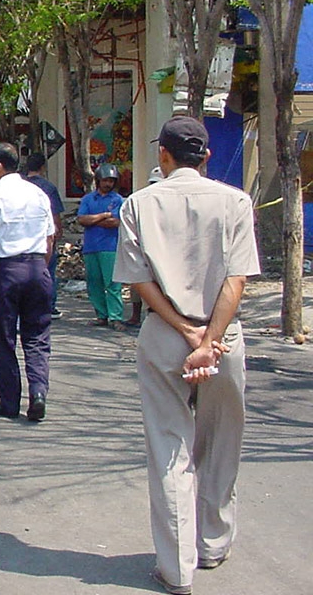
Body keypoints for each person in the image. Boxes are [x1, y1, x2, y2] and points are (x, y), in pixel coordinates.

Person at [113, 116, 259, 595]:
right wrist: (211, 338)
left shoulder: (139, 204)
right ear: (208, 157)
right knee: (221, 443)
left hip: (166, 336)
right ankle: (214, 542)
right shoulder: (236, 202)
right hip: (224, 339)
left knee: (169, 446)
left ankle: (176, 566)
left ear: (164, 156)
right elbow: (237, 279)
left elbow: (138, 281)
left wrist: (184, 331)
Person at [0, 143, 55, 421]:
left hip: (4, 270)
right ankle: (39, 392)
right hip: (36, 267)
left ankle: (10, 402)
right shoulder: (39, 193)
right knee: (37, 336)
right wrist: (40, 268)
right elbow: (50, 238)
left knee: (3, 338)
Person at [77, 163, 126, 331]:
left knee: (112, 284)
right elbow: (82, 219)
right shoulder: (88, 199)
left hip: (110, 247)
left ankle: (116, 316)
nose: (108, 184)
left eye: (111, 181)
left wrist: (94, 220)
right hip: (91, 247)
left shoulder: (118, 200)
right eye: (105, 180)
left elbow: (116, 222)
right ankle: (101, 315)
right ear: (98, 180)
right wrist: (103, 216)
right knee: (94, 283)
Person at [25, 152, 64, 319]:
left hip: (25, 235)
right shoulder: (48, 187)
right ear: (43, 167)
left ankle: (27, 304)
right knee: (48, 270)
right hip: (44, 235)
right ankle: (49, 305)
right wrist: (57, 230)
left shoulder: (22, 186)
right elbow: (54, 214)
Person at [125, 166, 165, 327]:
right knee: (138, 283)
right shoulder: (142, 202)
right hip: (144, 246)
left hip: (163, 250)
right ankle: (136, 315)